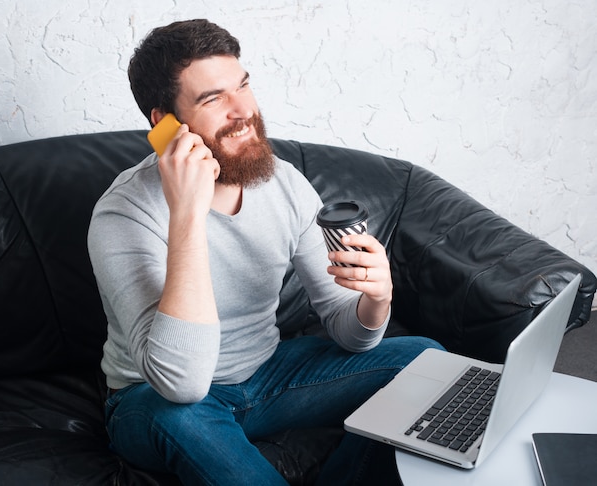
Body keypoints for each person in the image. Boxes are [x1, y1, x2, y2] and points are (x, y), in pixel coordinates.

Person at [88, 18, 444, 485]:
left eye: (243, 86)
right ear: (165, 125)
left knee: (428, 365)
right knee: (177, 417)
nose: (244, 111)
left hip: (268, 377)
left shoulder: (283, 183)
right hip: (154, 400)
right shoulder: (123, 215)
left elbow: (349, 333)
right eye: (213, 99)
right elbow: (182, 384)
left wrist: (375, 302)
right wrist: (188, 215)